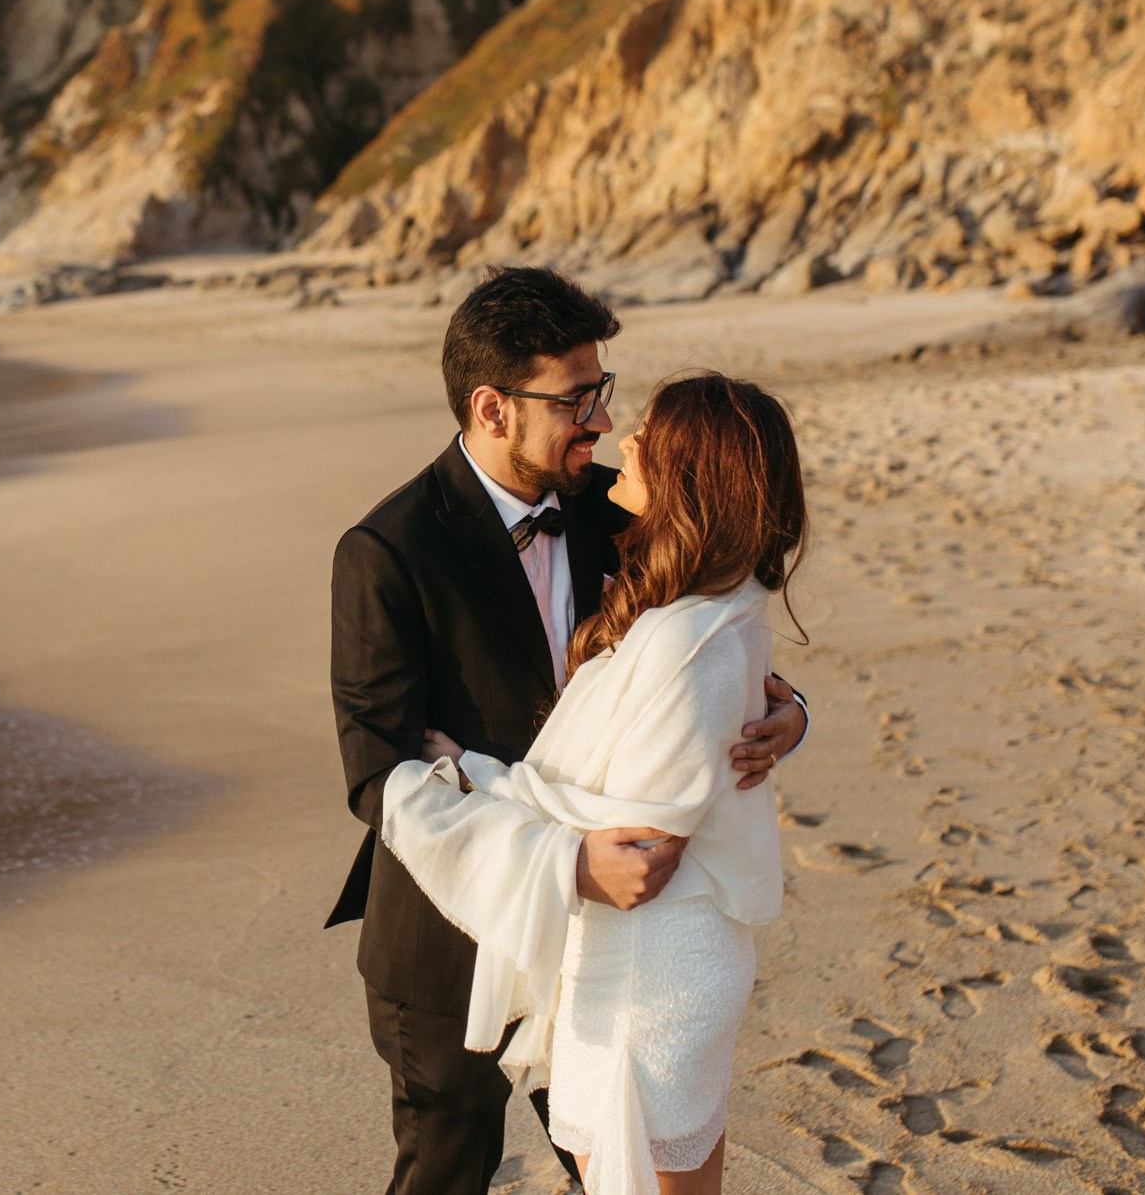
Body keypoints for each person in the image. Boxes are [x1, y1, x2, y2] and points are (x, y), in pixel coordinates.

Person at [330, 268, 808, 1195]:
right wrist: (567, 864)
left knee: (615, 1167)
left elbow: (711, 638)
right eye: (575, 397)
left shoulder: (619, 503)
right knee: (445, 1178)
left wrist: (788, 714)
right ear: (492, 408)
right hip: (448, 934)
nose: (597, 419)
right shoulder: (389, 551)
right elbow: (377, 775)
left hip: (611, 946)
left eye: (602, 389)